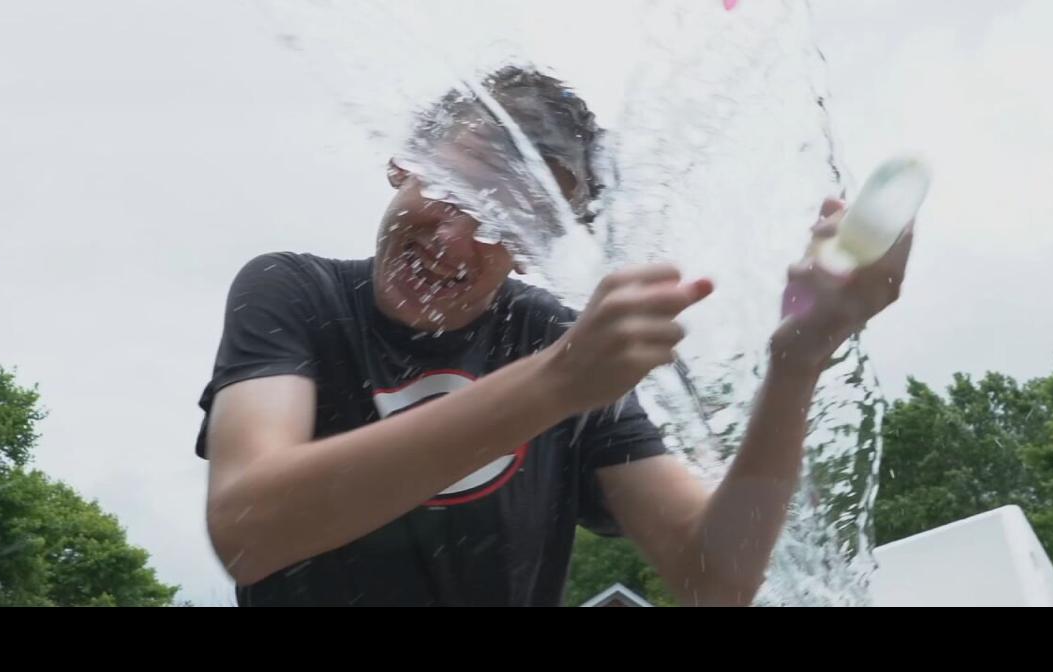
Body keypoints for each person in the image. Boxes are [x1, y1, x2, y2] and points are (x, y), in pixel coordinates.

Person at [196, 66, 912, 606]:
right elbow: (250, 529)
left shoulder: (556, 338)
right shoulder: (297, 292)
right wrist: (555, 384)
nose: (454, 239)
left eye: (503, 222)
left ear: (538, 246)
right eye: (455, 187)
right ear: (404, 161)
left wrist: (798, 363)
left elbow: (715, 578)